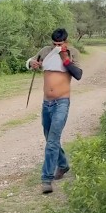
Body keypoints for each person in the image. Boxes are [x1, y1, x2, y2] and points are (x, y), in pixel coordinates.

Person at [27, 28, 82, 194]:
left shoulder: (72, 53)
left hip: (62, 103)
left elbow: (78, 74)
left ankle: (46, 179)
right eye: (55, 44)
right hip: (47, 103)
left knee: (52, 142)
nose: (57, 47)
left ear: (66, 41)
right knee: (49, 138)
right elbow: (31, 61)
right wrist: (32, 63)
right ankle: (63, 165)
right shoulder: (46, 51)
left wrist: (65, 60)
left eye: (60, 44)